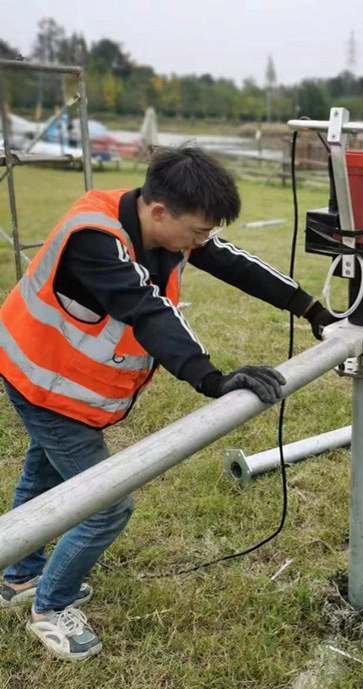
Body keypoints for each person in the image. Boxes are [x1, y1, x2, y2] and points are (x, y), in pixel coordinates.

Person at [0, 145, 335, 661]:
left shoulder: (165, 224)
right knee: (107, 504)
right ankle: (51, 606)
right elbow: (147, 310)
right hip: (41, 383)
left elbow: (233, 263)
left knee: (44, 475)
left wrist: (307, 305)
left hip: (62, 385)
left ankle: (19, 575)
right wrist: (213, 380)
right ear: (159, 212)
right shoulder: (95, 239)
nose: (203, 242)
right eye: (198, 231)